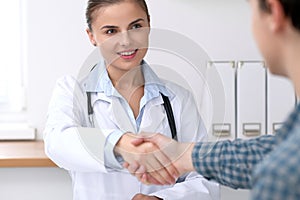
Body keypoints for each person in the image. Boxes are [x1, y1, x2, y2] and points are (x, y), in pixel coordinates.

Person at [43, 0, 220, 199]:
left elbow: (204, 178)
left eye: (136, 26)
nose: (126, 41)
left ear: (148, 25)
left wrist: (161, 199)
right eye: (111, 31)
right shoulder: (72, 91)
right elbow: (57, 142)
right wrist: (120, 144)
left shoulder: (178, 99)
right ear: (92, 36)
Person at [126, 0, 300, 199]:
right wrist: (182, 155)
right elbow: (269, 152)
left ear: (274, 12)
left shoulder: (280, 181)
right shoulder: (290, 144)